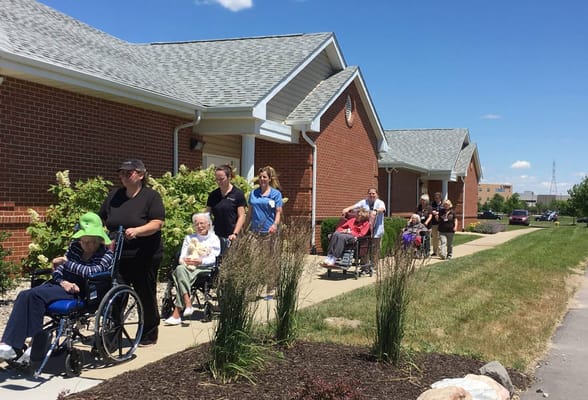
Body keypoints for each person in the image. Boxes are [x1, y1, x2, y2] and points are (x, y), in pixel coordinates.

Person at [0, 212, 113, 362]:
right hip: (64, 286)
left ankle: (29, 345)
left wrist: (66, 263)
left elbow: (90, 272)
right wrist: (63, 282)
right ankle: (13, 345)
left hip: (84, 291)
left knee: (34, 295)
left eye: (93, 241)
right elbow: (58, 270)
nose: (89, 245)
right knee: (25, 295)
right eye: (85, 241)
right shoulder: (74, 248)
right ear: (79, 240)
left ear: (100, 240)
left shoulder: (106, 255)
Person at [99, 159, 165, 347]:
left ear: (141, 175)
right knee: (116, 292)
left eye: (129, 173)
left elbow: (157, 223)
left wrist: (137, 231)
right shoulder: (114, 196)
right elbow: (100, 219)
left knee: (145, 293)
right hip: (118, 253)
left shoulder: (150, 197)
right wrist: (103, 236)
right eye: (121, 173)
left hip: (144, 254)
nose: (124, 176)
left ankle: (149, 333)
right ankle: (113, 331)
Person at [164, 213, 221, 326]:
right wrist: (186, 260)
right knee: (180, 269)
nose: (199, 226)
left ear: (208, 225)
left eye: (202, 223)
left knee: (179, 275)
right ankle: (188, 303)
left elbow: (214, 258)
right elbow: (182, 255)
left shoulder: (214, 239)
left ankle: (177, 312)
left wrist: (201, 261)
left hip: (205, 268)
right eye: (197, 224)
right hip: (187, 266)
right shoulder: (189, 238)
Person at [206, 164, 246, 244]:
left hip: (231, 236)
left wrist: (235, 233)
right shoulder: (213, 195)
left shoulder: (238, 194)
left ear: (229, 177)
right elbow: (207, 214)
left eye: (221, 179)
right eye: (217, 179)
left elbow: (242, 216)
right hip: (215, 236)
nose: (219, 182)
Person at [342, 187, 386, 261]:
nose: (371, 195)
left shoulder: (380, 202)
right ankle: (364, 266)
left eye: (373, 193)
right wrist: (347, 209)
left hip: (376, 229)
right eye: (370, 193)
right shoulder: (364, 202)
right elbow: (355, 206)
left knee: (375, 249)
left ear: (377, 194)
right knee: (364, 248)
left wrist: (376, 210)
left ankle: (373, 266)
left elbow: (383, 209)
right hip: (365, 230)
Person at [246, 166, 283, 234]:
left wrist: (274, 225)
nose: (262, 179)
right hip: (254, 233)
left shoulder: (276, 194)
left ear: (269, 179)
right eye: (260, 177)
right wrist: (244, 228)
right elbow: (249, 214)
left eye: (264, 177)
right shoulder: (253, 193)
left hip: (270, 232)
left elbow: (278, 212)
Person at [429, 192, 443, 256]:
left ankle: (440, 252)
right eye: (435, 198)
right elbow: (429, 210)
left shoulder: (442, 205)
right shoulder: (432, 204)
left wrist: (438, 213)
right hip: (434, 223)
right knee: (434, 238)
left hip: (441, 223)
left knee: (439, 238)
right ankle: (435, 252)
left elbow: (444, 212)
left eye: (437, 198)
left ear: (440, 198)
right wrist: (432, 211)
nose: (436, 199)